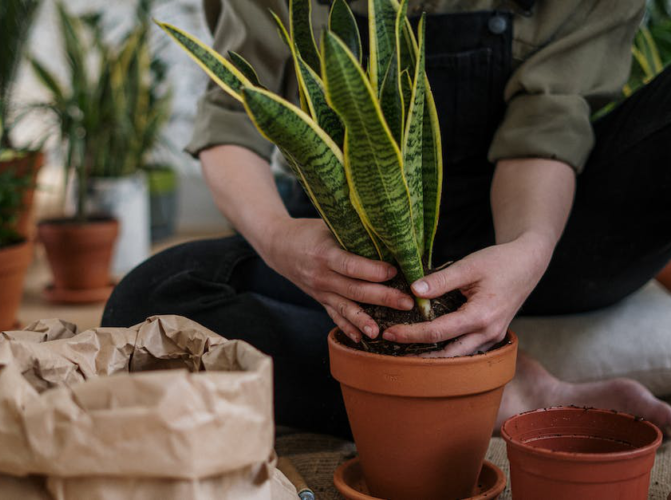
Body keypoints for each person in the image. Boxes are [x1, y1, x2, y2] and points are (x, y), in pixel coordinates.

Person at [103, 0, 671, 437]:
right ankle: (498, 394)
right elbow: (234, 120)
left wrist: (529, 247)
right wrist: (281, 241)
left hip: (550, 234)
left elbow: (546, 125)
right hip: (357, 258)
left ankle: (435, 379)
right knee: (149, 299)